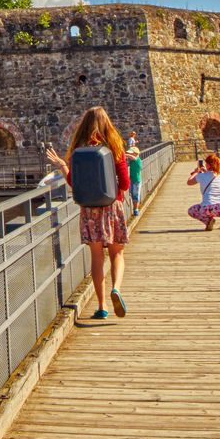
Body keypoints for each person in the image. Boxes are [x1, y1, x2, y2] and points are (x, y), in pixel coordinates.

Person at [45, 107, 132, 320]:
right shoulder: (115, 147)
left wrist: (63, 166)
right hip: (112, 206)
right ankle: (116, 290)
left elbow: (75, 183)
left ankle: (101, 306)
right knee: (117, 254)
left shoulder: (78, 149)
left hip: (89, 210)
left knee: (96, 257)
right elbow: (126, 184)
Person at [187, 153, 220, 230]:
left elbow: (189, 182)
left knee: (191, 210)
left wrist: (196, 172)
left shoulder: (201, 176)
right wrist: (206, 171)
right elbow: (211, 175)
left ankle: (208, 221)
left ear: (207, 164)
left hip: (208, 208)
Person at [124, 132, 144, 214]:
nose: (129, 154)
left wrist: (123, 154)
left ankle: (136, 209)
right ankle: (135, 209)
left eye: (130, 152)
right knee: (133, 195)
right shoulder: (133, 160)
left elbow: (132, 157)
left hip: (136, 180)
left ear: (135, 153)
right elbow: (131, 157)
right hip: (132, 180)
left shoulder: (137, 160)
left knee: (135, 195)